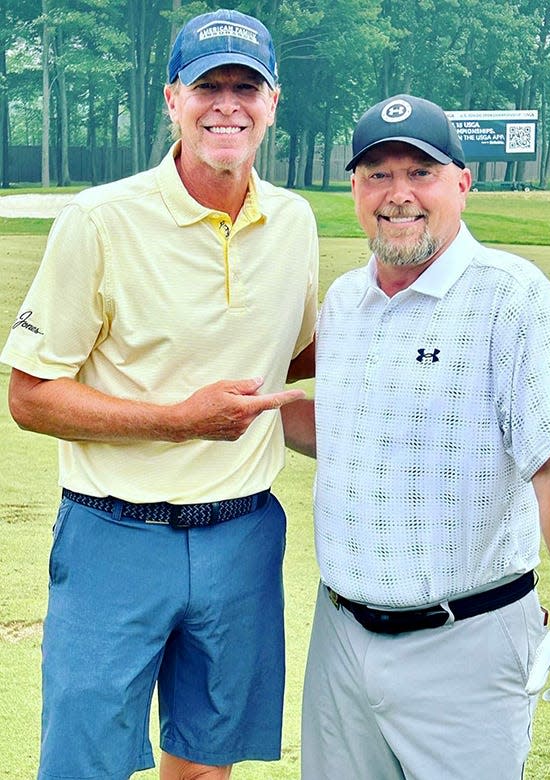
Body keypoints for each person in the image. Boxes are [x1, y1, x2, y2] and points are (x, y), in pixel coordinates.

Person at [1, 9, 319, 780]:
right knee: (85, 766)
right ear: (173, 99)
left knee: (208, 765)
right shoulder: (100, 220)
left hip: (243, 538)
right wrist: (179, 423)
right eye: (209, 85)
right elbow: (31, 395)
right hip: (116, 536)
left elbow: (302, 356)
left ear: (273, 104)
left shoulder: (295, 222)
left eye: (248, 86)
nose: (228, 105)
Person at [282, 94, 550, 779]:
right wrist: (253, 414)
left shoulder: (512, 297)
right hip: (340, 641)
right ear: (356, 190)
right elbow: (352, 433)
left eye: (419, 172)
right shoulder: (344, 302)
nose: (398, 195)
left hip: (468, 643)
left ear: (462, 182)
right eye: (377, 174)